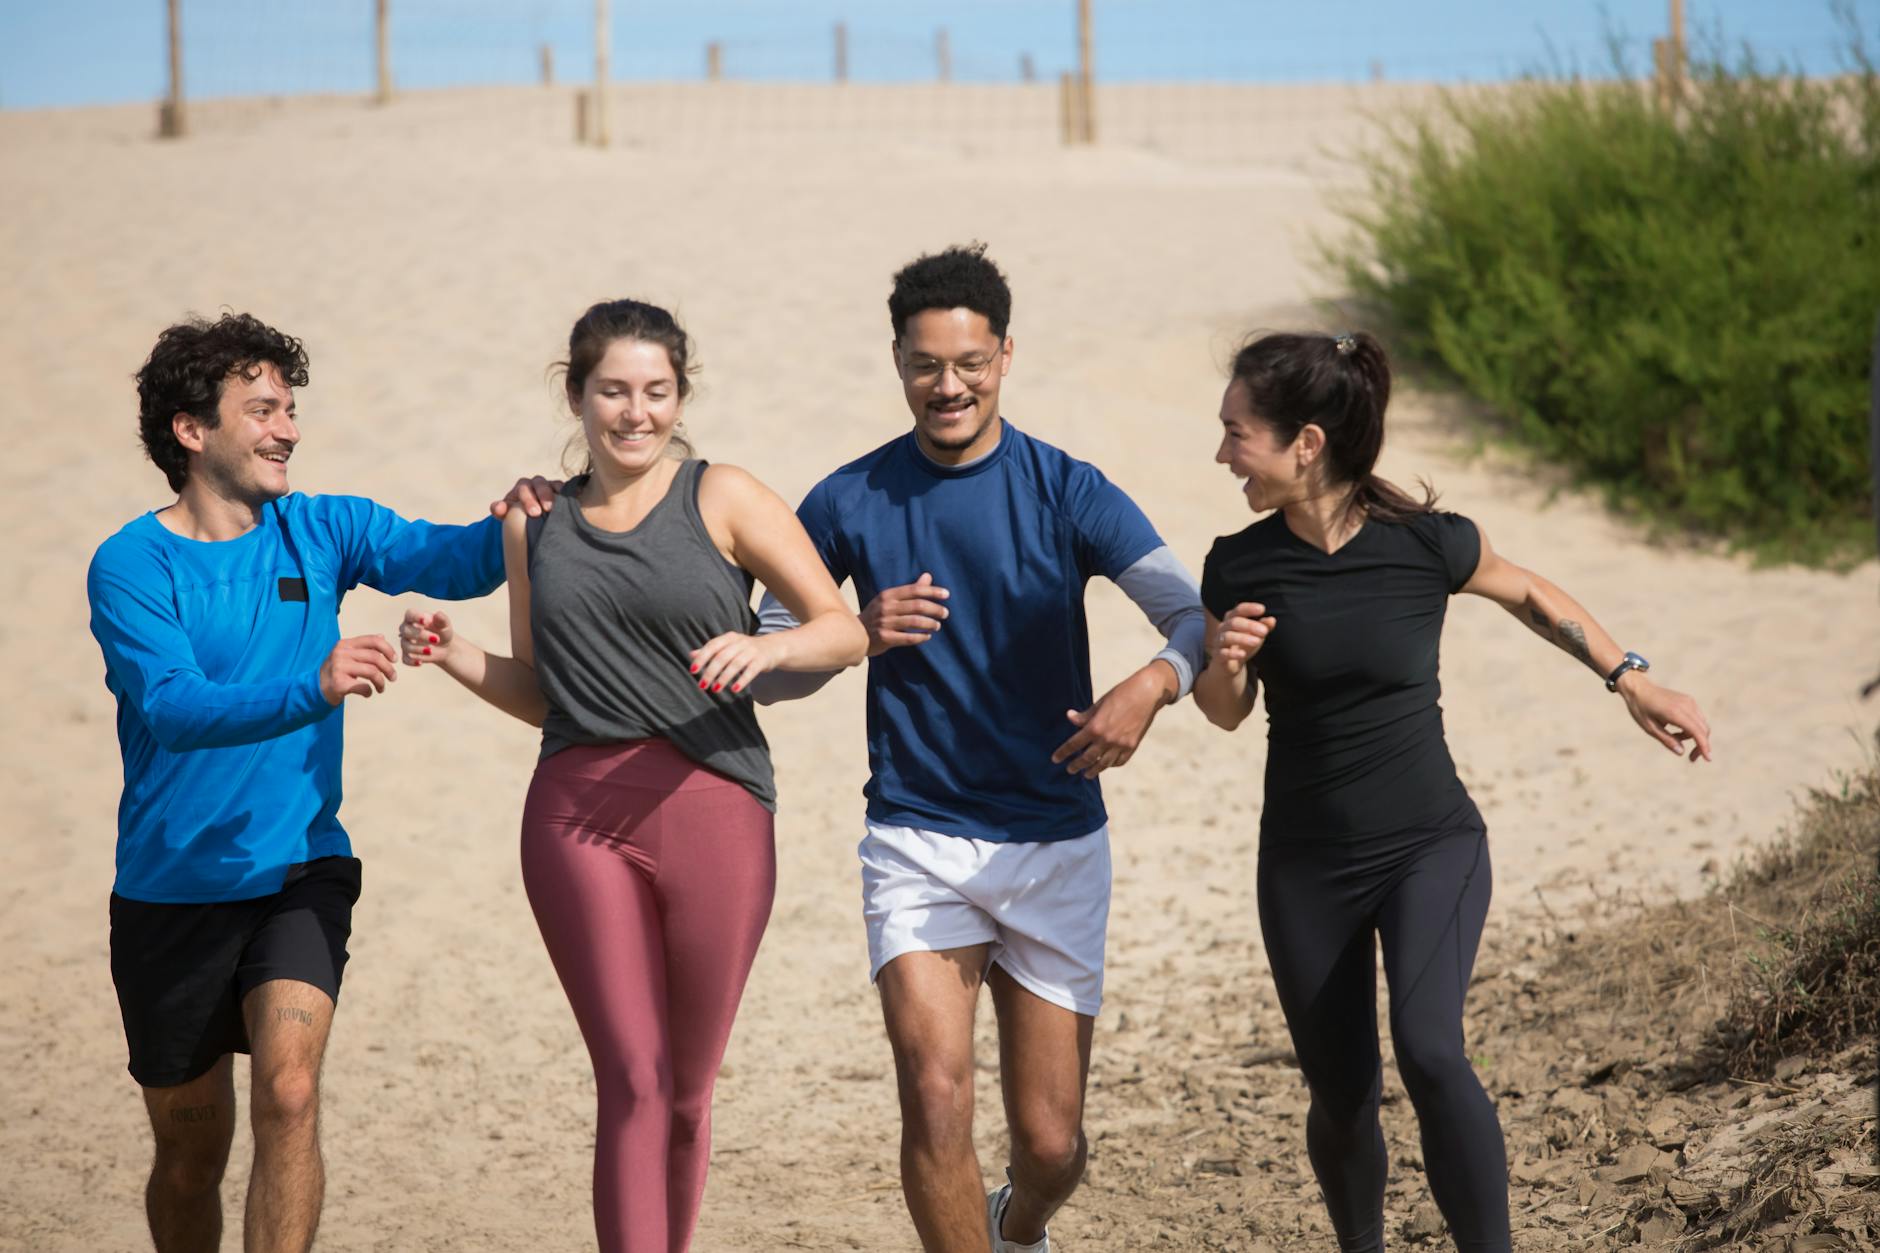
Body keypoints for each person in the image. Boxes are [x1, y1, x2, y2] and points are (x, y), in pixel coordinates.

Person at [1192, 331, 1713, 1253]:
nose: (1223, 452)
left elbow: (1528, 593)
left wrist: (1631, 677)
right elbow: (1226, 713)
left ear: (1305, 444)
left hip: (1428, 844)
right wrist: (1225, 662)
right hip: (1306, 866)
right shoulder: (1239, 563)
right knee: (1343, 1097)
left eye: (1238, 432)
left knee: (1431, 1050)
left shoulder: (1427, 544)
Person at [751, 244, 1208, 1253]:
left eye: (968, 362)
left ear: (1005, 353)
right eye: (924, 363)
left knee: (1050, 1142)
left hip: (1054, 837)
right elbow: (767, 660)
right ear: (897, 361)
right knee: (934, 1096)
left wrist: (1149, 683)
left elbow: (1192, 618)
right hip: (916, 836)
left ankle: (1018, 1221)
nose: (946, 385)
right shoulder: (846, 499)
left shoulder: (1067, 488)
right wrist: (850, 629)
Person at [396, 298, 867, 1253]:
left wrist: (762, 651)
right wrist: (455, 655)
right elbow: (543, 691)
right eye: (613, 390)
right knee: (632, 1078)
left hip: (717, 808)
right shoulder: (534, 522)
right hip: (575, 815)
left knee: (688, 1094)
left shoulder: (724, 494)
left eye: (656, 391)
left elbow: (843, 626)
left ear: (681, 396)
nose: (635, 411)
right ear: (576, 397)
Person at [87, 311, 546, 1253]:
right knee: (188, 1150)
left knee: (290, 1093)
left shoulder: (324, 526)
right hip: (168, 889)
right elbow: (173, 707)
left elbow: (452, 558)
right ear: (191, 429)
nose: (288, 428)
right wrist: (315, 683)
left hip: (301, 866)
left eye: (290, 408)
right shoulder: (131, 563)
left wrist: (523, 513)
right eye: (261, 410)